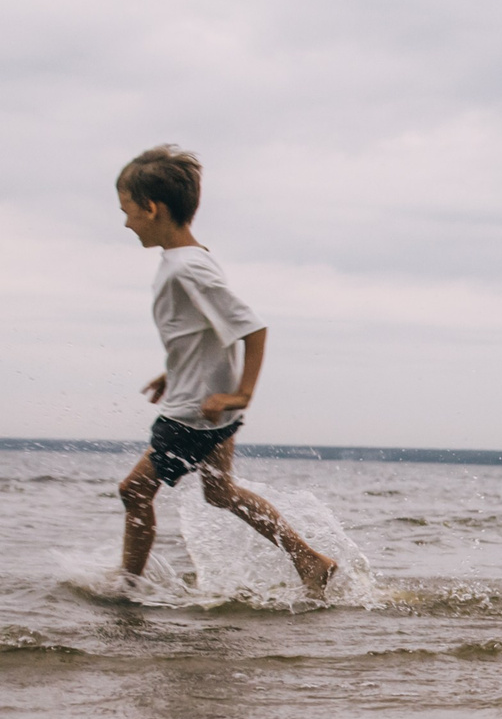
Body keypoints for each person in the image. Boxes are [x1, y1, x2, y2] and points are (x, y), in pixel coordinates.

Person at [112, 146, 336, 599]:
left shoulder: (187, 268)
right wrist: (172, 372)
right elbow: (202, 333)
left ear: (152, 209)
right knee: (220, 493)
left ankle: (127, 592)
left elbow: (251, 329)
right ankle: (310, 560)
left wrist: (241, 395)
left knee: (134, 491)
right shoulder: (192, 258)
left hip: (198, 412)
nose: (126, 223)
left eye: (128, 211)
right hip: (207, 403)